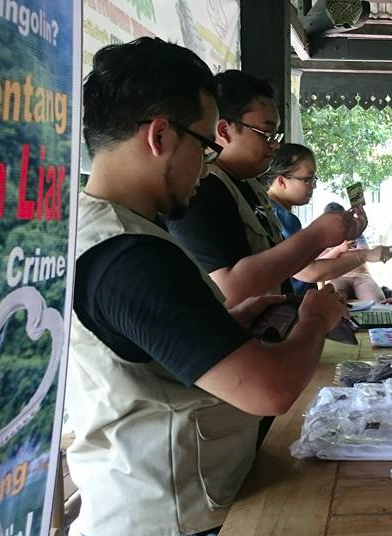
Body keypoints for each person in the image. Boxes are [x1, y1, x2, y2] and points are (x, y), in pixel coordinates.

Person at [68, 37, 348, 536]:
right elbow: (271, 389)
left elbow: (144, 353)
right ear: (159, 135)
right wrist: (315, 319)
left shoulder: (104, 230)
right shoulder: (129, 256)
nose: (206, 165)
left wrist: (222, 324)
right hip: (171, 518)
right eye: (204, 146)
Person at [168, 70, 366, 306]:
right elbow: (228, 290)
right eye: (266, 133)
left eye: (276, 135)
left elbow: (281, 265)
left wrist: (328, 237)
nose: (275, 145)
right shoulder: (204, 189)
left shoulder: (250, 185)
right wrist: (317, 235)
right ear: (223, 131)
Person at [262, 143, 391, 296]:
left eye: (314, 179)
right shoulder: (279, 217)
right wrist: (365, 255)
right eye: (307, 180)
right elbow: (309, 272)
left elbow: (303, 263)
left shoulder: (276, 212)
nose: (314, 186)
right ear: (282, 182)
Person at [320, 202, 390, 302]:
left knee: (377, 301)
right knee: (329, 301)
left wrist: (338, 254)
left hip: (362, 276)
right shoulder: (325, 237)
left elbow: (365, 251)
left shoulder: (355, 232)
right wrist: (339, 249)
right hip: (339, 277)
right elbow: (320, 262)